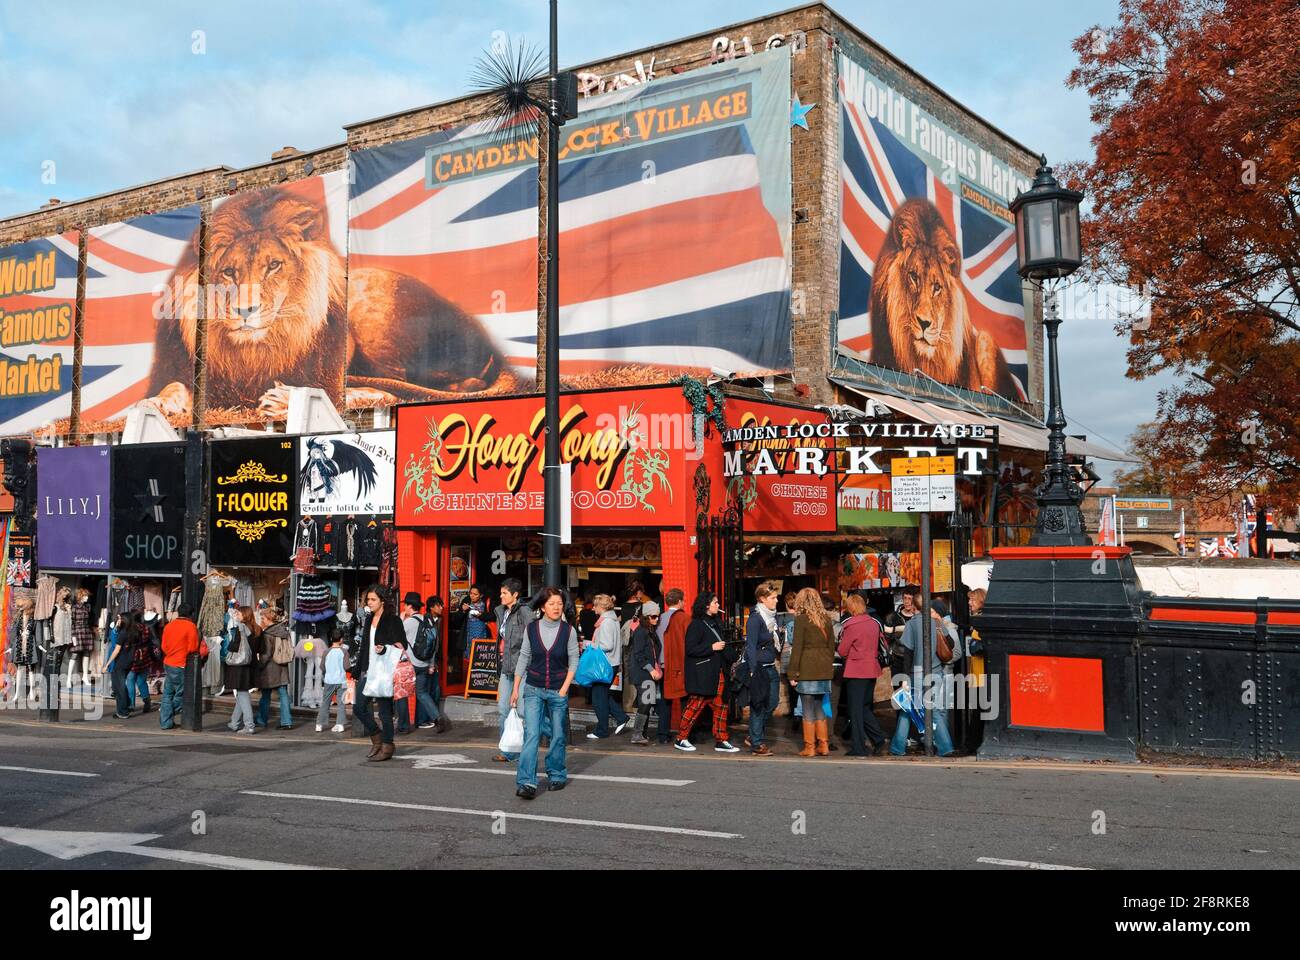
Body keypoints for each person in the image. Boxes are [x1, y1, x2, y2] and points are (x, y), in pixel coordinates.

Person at [510, 587, 577, 799]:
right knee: (532, 734)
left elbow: (574, 660)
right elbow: (524, 657)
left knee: (558, 735)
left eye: (559, 604)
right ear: (542, 607)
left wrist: (565, 688)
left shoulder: (568, 631)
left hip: (558, 689)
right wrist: (515, 689)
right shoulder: (532, 629)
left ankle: (556, 774)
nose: (556, 608)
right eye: (551, 604)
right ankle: (526, 782)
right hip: (533, 689)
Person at [890, 600, 961, 757]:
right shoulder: (936, 622)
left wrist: (905, 677)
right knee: (930, 709)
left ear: (915, 607)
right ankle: (944, 747)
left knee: (908, 709)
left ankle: (899, 747)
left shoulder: (912, 624)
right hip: (936, 672)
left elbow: (907, 653)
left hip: (916, 673)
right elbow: (949, 643)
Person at [674, 592, 739, 753]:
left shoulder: (716, 622)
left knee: (721, 706)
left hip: (717, 672)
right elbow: (690, 649)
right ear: (706, 605)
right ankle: (681, 738)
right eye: (715, 602)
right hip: (703, 673)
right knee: (695, 704)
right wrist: (711, 647)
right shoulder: (696, 624)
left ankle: (721, 739)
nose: (718, 605)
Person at [354, 585, 408, 762]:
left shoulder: (393, 620)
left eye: (373, 599)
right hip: (370, 670)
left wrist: (384, 648)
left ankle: (387, 745)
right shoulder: (369, 619)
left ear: (382, 601)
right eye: (368, 599)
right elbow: (364, 646)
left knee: (385, 712)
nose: (369, 603)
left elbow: (402, 645)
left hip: (385, 671)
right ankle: (376, 737)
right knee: (358, 707)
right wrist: (357, 669)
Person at [837, 594, 889, 756]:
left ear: (851, 608)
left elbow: (842, 650)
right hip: (871, 668)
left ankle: (859, 747)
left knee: (855, 710)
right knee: (865, 707)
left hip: (856, 670)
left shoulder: (851, 625)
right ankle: (879, 740)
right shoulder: (873, 623)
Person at [789, 587, 836, 757]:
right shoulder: (826, 619)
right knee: (820, 707)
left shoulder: (801, 620)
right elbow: (832, 647)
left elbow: (797, 650)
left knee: (807, 708)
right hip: (824, 669)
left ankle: (810, 747)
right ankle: (824, 745)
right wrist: (826, 664)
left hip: (807, 669)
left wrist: (792, 674)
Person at [493, 578, 531, 761]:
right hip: (505, 667)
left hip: (522, 669)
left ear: (515, 595)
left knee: (522, 711)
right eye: (501, 593)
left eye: (504, 593)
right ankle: (507, 749)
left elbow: (532, 638)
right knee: (503, 709)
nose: (501, 596)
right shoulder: (501, 612)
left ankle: (521, 750)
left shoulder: (524, 612)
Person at [744, 582, 783, 756]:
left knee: (772, 702)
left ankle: (754, 734)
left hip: (770, 667)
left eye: (776, 597)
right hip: (759, 668)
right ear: (762, 599)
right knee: (758, 706)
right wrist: (752, 669)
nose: (776, 601)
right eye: (772, 598)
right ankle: (757, 743)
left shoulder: (770, 616)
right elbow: (750, 646)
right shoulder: (755, 619)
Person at [587, 594, 630, 739]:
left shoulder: (606, 623)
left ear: (602, 606)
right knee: (603, 695)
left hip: (605, 664)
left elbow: (607, 645)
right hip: (611, 663)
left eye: (595, 605)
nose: (593, 608)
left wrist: (589, 644)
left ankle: (602, 730)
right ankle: (621, 717)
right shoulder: (612, 620)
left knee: (598, 698)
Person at [400, 591, 439, 731]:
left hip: (411, 664)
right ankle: (436, 717)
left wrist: (401, 619)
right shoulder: (427, 620)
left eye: (405, 605)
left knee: (403, 693)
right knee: (422, 693)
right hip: (424, 663)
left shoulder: (408, 622)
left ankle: (403, 726)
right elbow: (433, 644)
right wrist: (431, 664)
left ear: (410, 606)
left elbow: (396, 639)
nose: (404, 607)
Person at [158, 603, 200, 729]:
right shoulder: (191, 626)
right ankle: (167, 714)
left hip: (168, 662)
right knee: (183, 694)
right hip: (181, 664)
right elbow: (193, 647)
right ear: (191, 614)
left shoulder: (169, 626)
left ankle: (166, 722)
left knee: (168, 693)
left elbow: (164, 646)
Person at [626, 601, 662, 745]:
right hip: (643, 673)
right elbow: (639, 654)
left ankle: (642, 734)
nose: (656, 619)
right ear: (646, 616)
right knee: (645, 703)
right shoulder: (641, 632)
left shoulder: (649, 631)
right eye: (653, 616)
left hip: (646, 672)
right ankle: (637, 734)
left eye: (657, 616)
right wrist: (651, 669)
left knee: (647, 702)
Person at [255, 607, 293, 730]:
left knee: (265, 695)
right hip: (282, 667)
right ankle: (287, 721)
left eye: (262, 618)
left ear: (268, 619)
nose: (261, 620)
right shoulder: (284, 631)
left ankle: (261, 720)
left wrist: (258, 666)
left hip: (270, 670)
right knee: (283, 695)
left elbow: (266, 654)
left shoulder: (267, 634)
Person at [659, 588, 688, 743]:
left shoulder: (659, 618)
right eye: (683, 600)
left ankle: (663, 734)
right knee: (684, 698)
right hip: (678, 664)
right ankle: (685, 733)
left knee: (664, 700)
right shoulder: (683, 618)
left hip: (661, 664)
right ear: (679, 602)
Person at [225, 606, 259, 734]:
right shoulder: (255, 628)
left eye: (238, 613)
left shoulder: (241, 627)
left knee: (243, 694)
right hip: (249, 665)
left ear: (244, 615)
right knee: (241, 693)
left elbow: (233, 645)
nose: (236, 615)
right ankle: (234, 722)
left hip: (239, 665)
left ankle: (249, 725)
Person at [425, 595, 451, 733]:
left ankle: (434, 718)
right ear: (431, 607)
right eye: (439, 605)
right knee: (426, 690)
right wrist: (431, 662)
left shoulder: (439, 620)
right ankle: (433, 718)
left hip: (435, 659)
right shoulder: (425, 620)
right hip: (427, 660)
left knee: (435, 690)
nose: (441, 608)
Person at [316, 626, 348, 733]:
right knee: (341, 703)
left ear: (331, 639)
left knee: (325, 702)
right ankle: (340, 724)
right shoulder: (344, 652)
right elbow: (347, 666)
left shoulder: (326, 652)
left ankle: (319, 724)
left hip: (329, 681)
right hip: (341, 681)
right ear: (341, 639)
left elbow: (322, 667)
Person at [102, 613, 133, 719]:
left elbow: (116, 650)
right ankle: (127, 704)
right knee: (120, 686)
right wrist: (116, 627)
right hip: (128, 662)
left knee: (119, 687)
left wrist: (107, 664)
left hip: (119, 663)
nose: (118, 620)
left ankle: (123, 711)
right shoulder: (132, 632)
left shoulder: (123, 633)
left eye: (120, 618)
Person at [125, 612, 154, 714]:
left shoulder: (130, 629)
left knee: (130, 680)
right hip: (145, 657)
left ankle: (131, 704)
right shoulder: (146, 628)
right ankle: (146, 701)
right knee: (141, 681)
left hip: (133, 657)